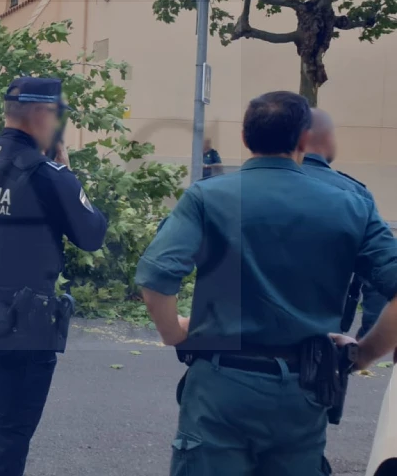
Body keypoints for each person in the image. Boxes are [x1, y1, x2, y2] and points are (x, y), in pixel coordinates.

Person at [136, 91, 397, 476]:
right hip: (302, 390)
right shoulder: (350, 203)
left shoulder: (207, 197)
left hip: (221, 386)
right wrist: (363, 354)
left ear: (245, 138)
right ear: (304, 141)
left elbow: (156, 275)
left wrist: (173, 331)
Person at [0, 76, 108, 476]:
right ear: (44, 114)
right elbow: (92, 235)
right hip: (21, 324)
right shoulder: (49, 175)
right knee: (9, 437)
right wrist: (68, 174)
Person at [302, 108, 389, 338]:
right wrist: (364, 345)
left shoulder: (233, 190)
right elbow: (379, 278)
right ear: (327, 138)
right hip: (317, 349)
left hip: (232, 354)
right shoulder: (354, 196)